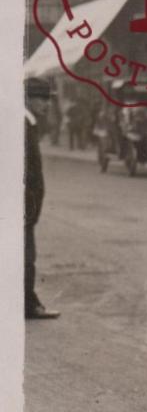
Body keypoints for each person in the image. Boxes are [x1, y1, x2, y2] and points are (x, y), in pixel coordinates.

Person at [25, 77, 60, 319]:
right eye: (42, 98)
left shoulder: (28, 123)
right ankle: (28, 304)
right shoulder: (23, 123)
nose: (47, 104)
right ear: (28, 98)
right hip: (22, 203)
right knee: (26, 255)